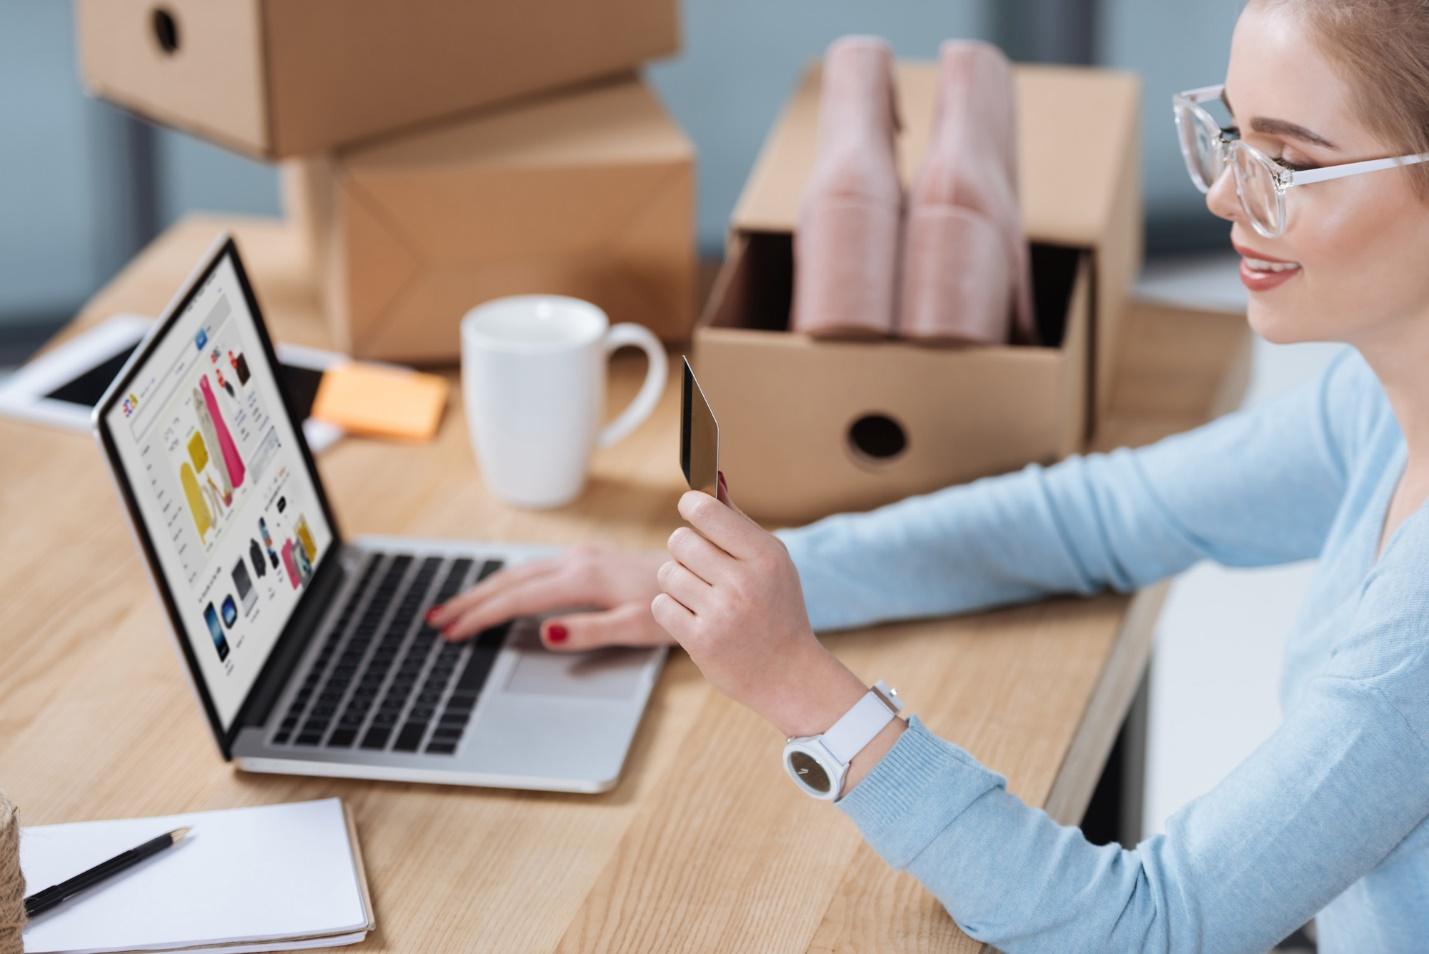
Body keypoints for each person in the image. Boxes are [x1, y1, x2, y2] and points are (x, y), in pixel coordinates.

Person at [426, 1, 1429, 949]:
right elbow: (1100, 515)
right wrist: (747, 585)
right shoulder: (1379, 403)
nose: (1221, 193)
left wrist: (803, 690)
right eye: (1231, 136)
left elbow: (1147, 929)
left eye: (1288, 162)